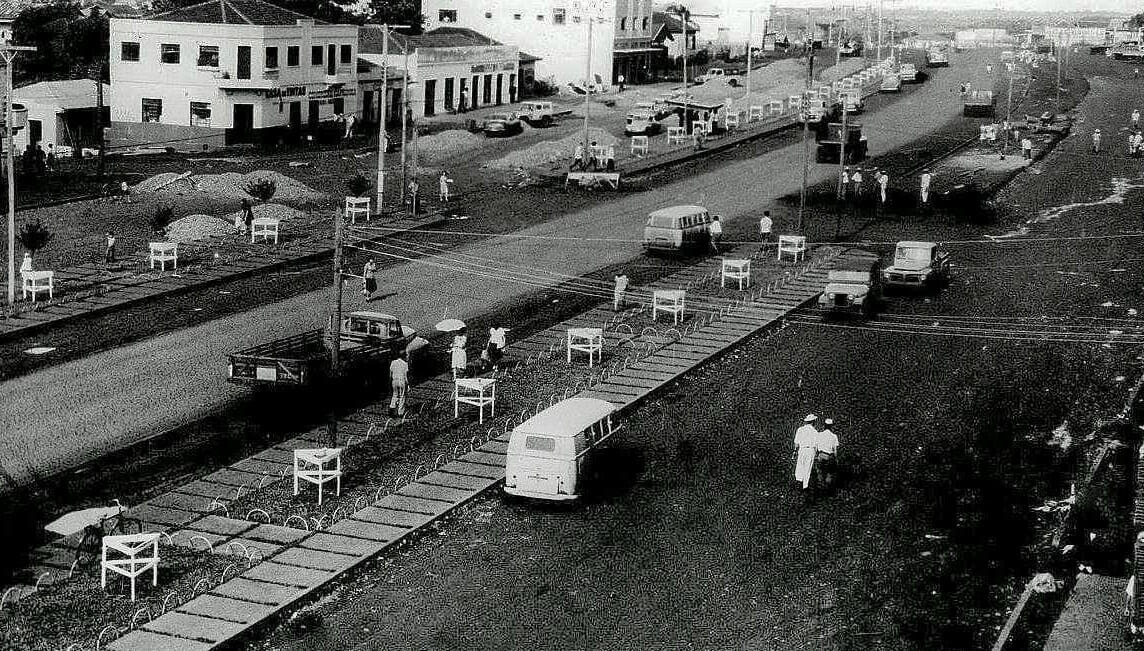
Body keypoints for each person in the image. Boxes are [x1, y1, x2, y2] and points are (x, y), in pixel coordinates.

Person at [793, 414, 819, 491]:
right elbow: (816, 445)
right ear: (813, 422)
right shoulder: (815, 432)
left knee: (800, 466)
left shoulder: (800, 429)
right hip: (810, 450)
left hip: (802, 449)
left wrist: (795, 451)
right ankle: (805, 485)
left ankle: (799, 482)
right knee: (808, 467)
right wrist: (816, 454)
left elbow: (796, 442)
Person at [814, 418, 840, 492]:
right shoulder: (834, 436)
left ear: (824, 425)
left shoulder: (819, 435)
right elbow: (835, 450)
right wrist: (836, 459)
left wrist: (816, 455)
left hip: (821, 455)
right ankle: (828, 489)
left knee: (819, 471)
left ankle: (820, 488)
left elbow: (816, 447)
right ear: (831, 426)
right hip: (829, 456)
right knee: (829, 472)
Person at [388, 352, 408, 417]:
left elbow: (390, 374)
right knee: (402, 396)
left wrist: (390, 381)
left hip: (394, 380)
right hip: (402, 381)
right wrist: (407, 383)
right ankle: (400, 412)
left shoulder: (393, 362)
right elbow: (406, 375)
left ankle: (392, 407)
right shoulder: (405, 364)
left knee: (395, 394)